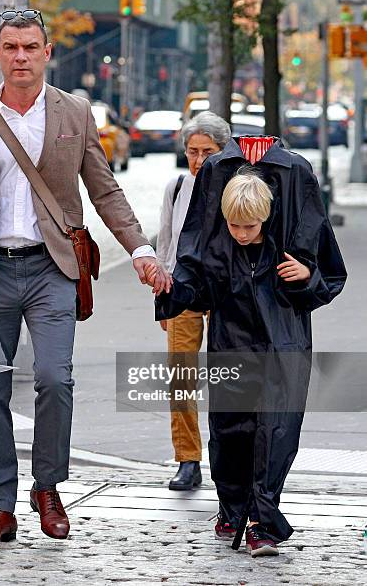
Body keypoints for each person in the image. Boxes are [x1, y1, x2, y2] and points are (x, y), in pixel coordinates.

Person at [0, 10, 170, 544]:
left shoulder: (74, 113)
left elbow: (105, 190)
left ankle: (47, 488)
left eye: (31, 47)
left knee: (56, 379)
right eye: (11, 47)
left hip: (52, 267)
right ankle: (0, 506)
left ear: (47, 52)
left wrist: (141, 249)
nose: (21, 57)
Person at [155, 159, 346, 557]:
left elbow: (330, 279)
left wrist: (308, 279)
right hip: (232, 348)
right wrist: (167, 289)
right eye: (234, 226)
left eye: (250, 227)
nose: (241, 234)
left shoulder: (288, 250)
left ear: (266, 219)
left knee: (275, 434)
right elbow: (197, 293)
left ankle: (262, 521)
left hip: (283, 349)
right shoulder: (218, 250)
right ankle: (233, 509)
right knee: (230, 433)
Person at [156, 112, 231, 491]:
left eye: (208, 151)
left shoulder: (235, 186)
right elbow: (165, 245)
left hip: (225, 296)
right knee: (181, 379)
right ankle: (187, 459)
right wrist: (162, 301)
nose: (199, 160)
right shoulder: (175, 188)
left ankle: (229, 457)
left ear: (223, 150)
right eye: (192, 151)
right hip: (183, 293)